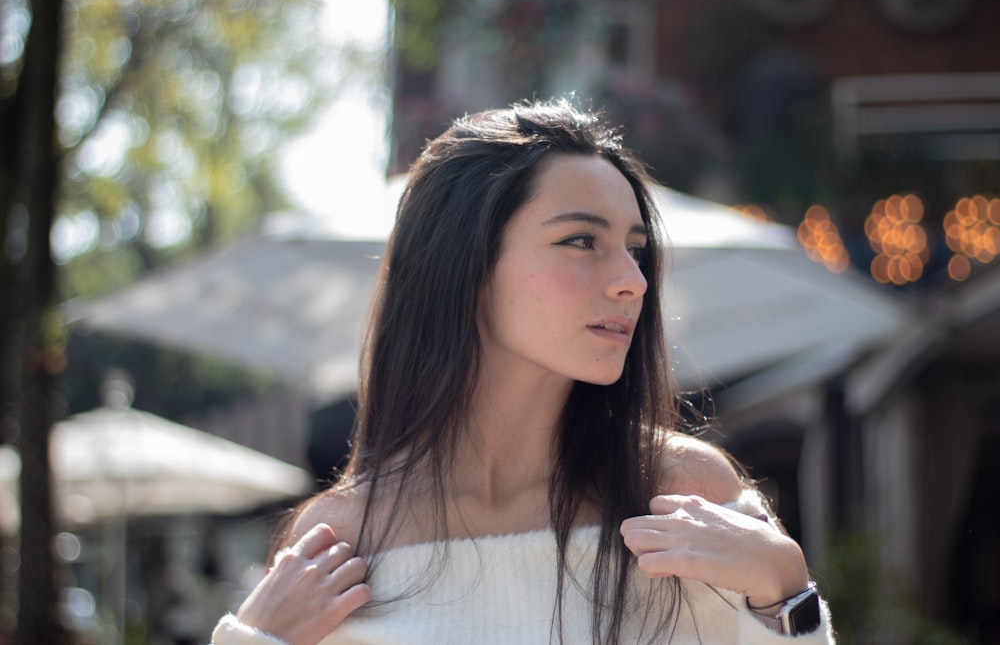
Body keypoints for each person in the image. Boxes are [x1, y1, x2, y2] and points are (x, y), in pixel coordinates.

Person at [212, 98, 836, 645]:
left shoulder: (682, 493)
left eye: (636, 249)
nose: (633, 281)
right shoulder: (345, 538)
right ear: (467, 266)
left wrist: (785, 590)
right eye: (581, 241)